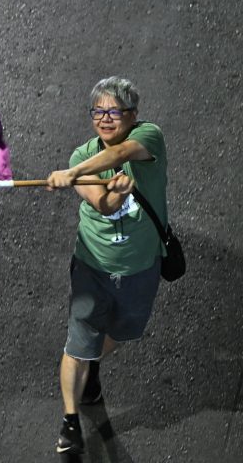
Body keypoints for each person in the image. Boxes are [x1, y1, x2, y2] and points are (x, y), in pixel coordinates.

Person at [45, 76, 168, 454]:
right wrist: (107, 191)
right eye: (98, 112)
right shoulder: (80, 159)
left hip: (140, 268)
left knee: (124, 333)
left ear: (133, 115)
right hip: (92, 267)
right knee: (78, 343)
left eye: (114, 112)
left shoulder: (149, 137)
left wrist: (74, 177)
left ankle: (91, 363)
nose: (105, 118)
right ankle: (70, 421)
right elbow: (102, 204)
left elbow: (120, 155)